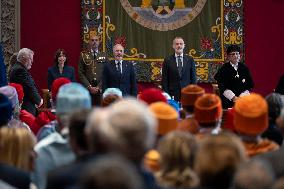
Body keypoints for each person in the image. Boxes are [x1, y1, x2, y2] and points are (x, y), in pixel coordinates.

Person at [214, 45, 254, 109]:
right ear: (228, 57)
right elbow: (222, 86)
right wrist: (233, 97)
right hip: (228, 100)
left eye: (237, 54)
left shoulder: (244, 68)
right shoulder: (224, 69)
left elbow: (250, 85)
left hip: (243, 99)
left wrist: (241, 98)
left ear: (240, 56)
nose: (235, 56)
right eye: (233, 54)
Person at [162, 37, 197, 101]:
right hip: (172, 94)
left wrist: (193, 92)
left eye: (181, 44)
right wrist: (167, 95)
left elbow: (193, 78)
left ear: (184, 46)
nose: (179, 46)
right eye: (177, 44)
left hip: (187, 93)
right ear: (173, 46)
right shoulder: (167, 60)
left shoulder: (190, 60)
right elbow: (164, 80)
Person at [9, 48, 43, 116]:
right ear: (24, 58)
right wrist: (39, 100)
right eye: (30, 59)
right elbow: (29, 87)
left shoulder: (19, 68)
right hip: (25, 108)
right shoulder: (19, 70)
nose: (32, 61)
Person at [78, 35, 107, 105]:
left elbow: (106, 73)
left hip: (100, 90)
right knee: (88, 112)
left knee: (100, 112)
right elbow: (80, 73)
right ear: (89, 42)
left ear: (99, 42)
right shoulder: (83, 55)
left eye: (96, 40)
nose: (94, 42)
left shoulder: (104, 55)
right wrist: (89, 87)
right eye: (92, 40)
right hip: (87, 90)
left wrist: (99, 86)